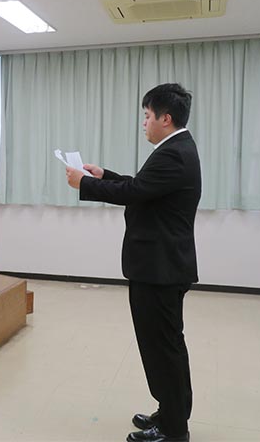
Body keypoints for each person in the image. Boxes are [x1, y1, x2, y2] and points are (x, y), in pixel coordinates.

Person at [65, 83, 201, 442]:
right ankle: (170, 412)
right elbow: (143, 188)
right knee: (164, 346)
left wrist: (85, 184)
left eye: (147, 115)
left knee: (163, 349)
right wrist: (104, 176)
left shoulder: (174, 153)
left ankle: (174, 429)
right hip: (160, 266)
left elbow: (136, 192)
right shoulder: (176, 149)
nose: (144, 122)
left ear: (165, 118)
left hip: (160, 268)